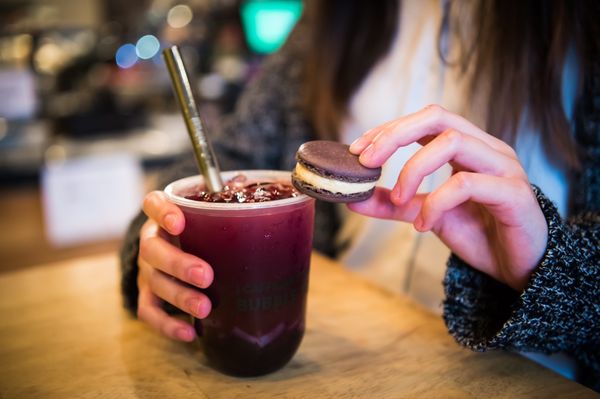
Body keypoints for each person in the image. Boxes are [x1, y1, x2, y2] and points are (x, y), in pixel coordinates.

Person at [120, 0, 599, 390]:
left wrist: (550, 268)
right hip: (345, 359)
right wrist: (159, 237)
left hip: (529, 375)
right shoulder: (334, 15)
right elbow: (222, 159)